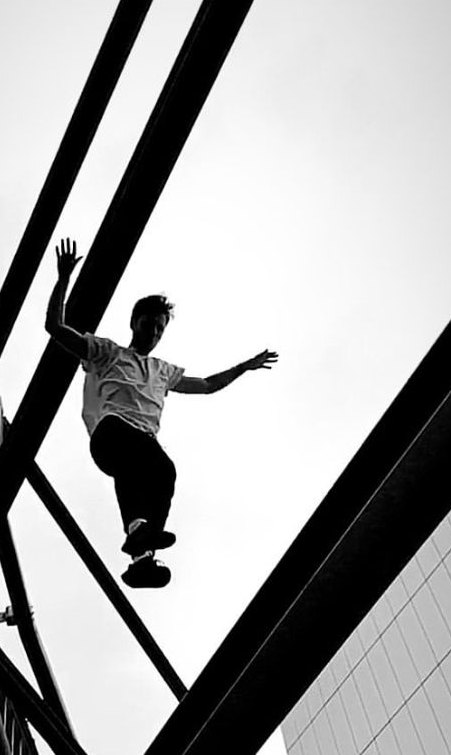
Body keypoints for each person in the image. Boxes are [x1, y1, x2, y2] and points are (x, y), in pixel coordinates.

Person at [46, 238, 278, 589]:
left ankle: (141, 554)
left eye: (159, 329)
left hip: (138, 443)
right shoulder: (107, 352)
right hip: (112, 432)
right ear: (134, 323)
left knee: (160, 475)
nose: (153, 333)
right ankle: (141, 529)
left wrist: (245, 366)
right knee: (151, 464)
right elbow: (55, 328)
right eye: (148, 325)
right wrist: (63, 279)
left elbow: (208, 384)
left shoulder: (163, 370)